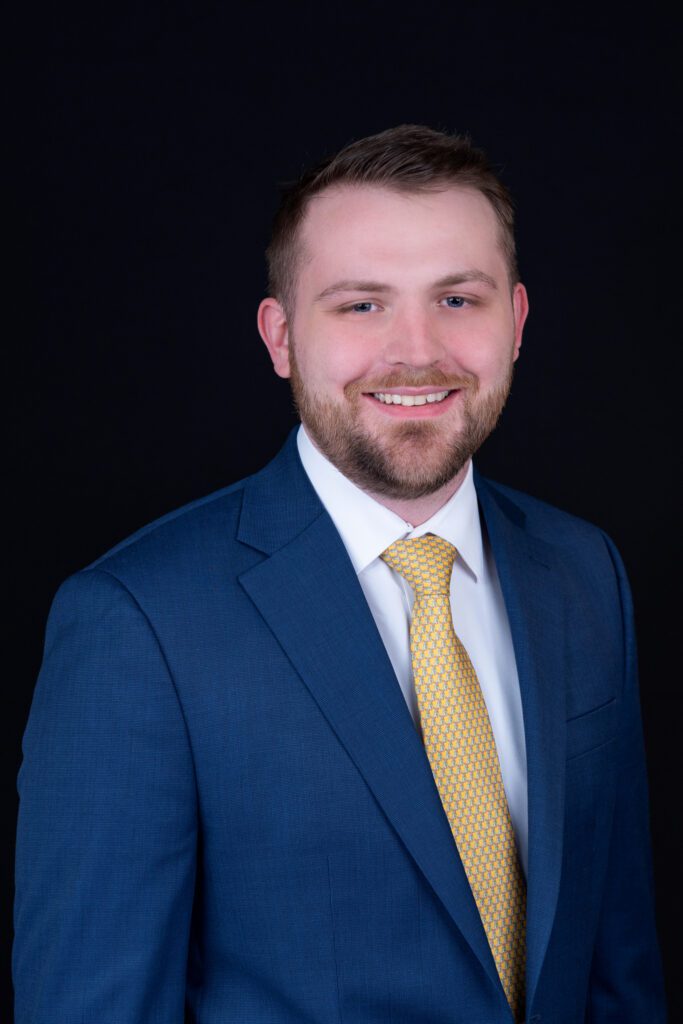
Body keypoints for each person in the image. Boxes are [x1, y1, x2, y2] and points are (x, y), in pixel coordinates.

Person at [14, 125, 666, 1023]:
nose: (415, 350)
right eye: (360, 305)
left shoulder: (585, 575)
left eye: (457, 299)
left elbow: (617, 971)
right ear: (281, 337)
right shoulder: (137, 624)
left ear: (515, 323)